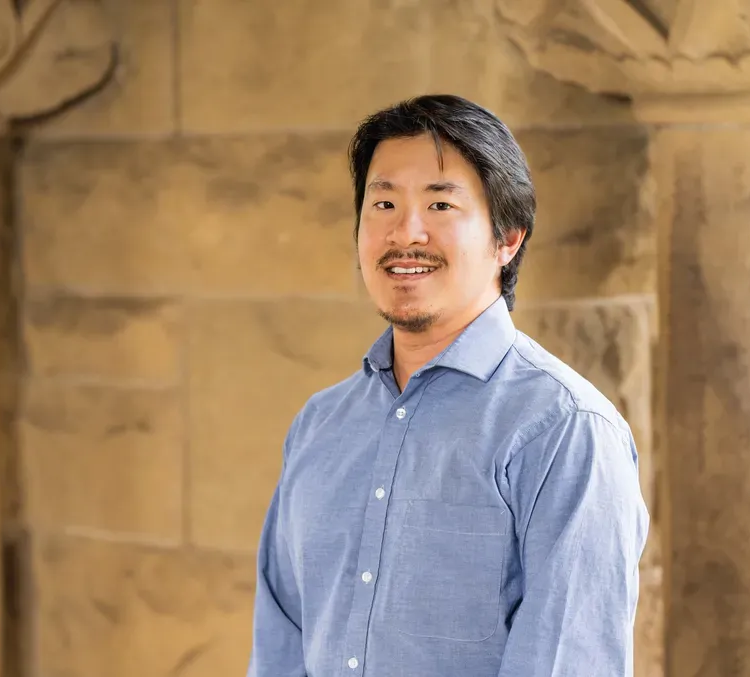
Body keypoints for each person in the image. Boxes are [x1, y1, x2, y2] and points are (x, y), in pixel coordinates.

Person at [247, 94, 649, 677]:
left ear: (507, 238)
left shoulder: (565, 431)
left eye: (440, 204)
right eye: (383, 202)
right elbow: (281, 648)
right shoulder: (320, 423)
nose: (406, 232)